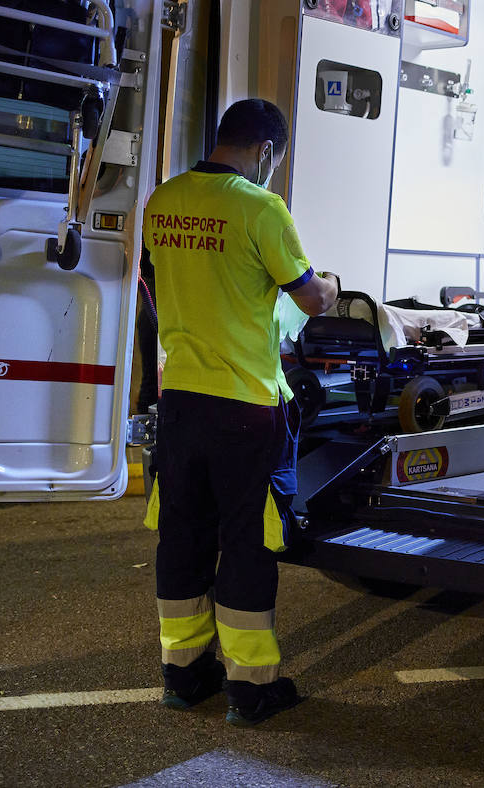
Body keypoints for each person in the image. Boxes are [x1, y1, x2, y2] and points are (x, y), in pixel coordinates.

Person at [142, 98, 338, 726]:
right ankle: (250, 689)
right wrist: (329, 286)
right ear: (266, 152)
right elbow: (308, 295)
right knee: (248, 544)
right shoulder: (261, 206)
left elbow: (154, 284)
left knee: (184, 537)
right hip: (248, 408)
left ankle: (184, 672)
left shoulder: (163, 200)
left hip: (180, 404)